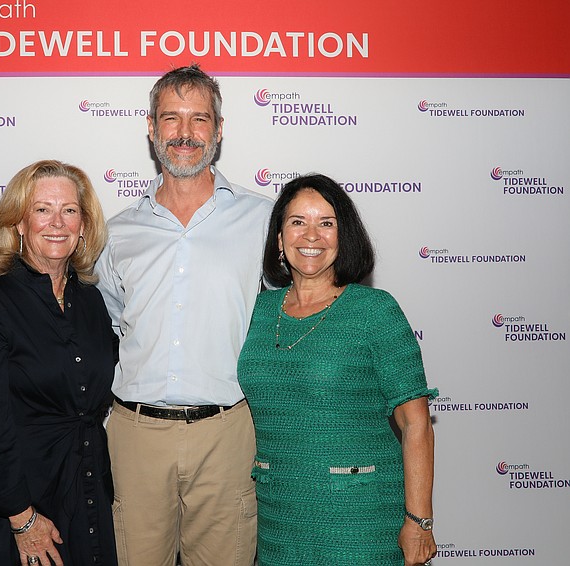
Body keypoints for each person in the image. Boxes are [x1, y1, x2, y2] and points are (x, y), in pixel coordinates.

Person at [94, 64, 273, 566]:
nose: (185, 133)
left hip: (228, 433)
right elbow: (108, 324)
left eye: (200, 119)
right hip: (135, 434)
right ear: (151, 128)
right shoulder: (119, 231)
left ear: (219, 129)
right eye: (171, 118)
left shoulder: (263, 220)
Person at [236, 173, 438, 566]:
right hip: (279, 520)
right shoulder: (257, 311)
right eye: (297, 222)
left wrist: (419, 521)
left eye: (326, 223)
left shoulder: (375, 311)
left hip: (360, 522)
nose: (311, 235)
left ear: (343, 238)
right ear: (279, 239)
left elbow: (416, 424)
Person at [0, 160, 118, 566]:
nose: (57, 222)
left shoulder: (93, 303)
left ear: (83, 224)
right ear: (19, 224)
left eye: (70, 210)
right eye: (42, 209)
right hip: (22, 507)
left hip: (89, 494)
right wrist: (23, 521)